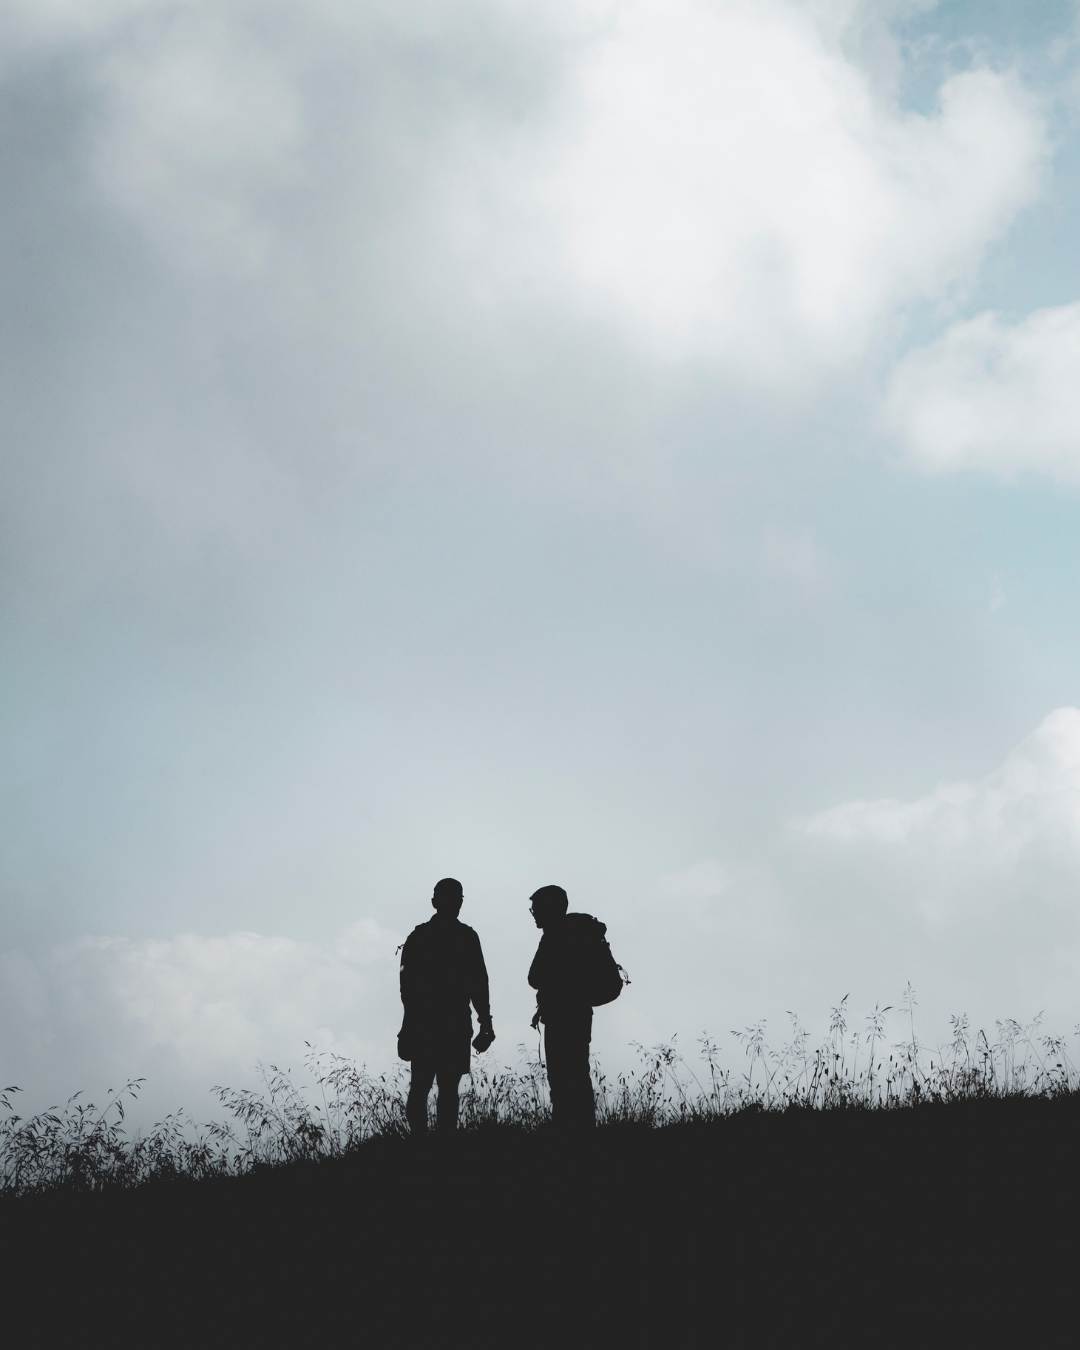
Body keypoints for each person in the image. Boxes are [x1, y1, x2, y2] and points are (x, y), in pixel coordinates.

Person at [398, 877, 494, 1134]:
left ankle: (424, 1143)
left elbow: (407, 989)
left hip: (425, 1024)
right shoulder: (466, 937)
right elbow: (479, 983)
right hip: (452, 1023)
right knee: (445, 1089)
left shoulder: (419, 937)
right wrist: (486, 1021)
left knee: (422, 1087)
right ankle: (444, 1144)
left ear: (434, 902)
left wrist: (407, 1027)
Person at [527, 884, 612, 1131]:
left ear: (548, 909)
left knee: (562, 1080)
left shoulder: (555, 935)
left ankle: (568, 1134)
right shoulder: (580, 933)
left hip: (560, 1016)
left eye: (536, 909)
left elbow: (534, 977)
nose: (534, 914)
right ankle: (582, 1130)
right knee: (578, 1076)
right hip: (581, 1014)